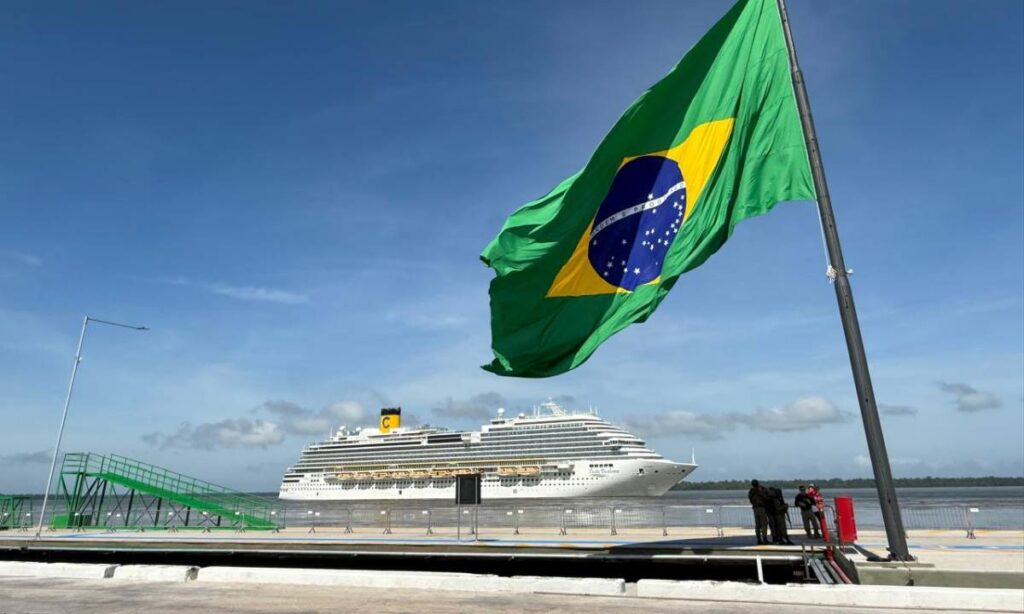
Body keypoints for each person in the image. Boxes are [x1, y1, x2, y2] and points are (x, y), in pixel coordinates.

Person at [747, 479, 769, 545]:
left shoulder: (751, 491)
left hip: (755, 509)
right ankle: (764, 538)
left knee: (758, 525)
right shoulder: (760, 490)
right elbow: (766, 497)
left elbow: (750, 499)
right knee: (764, 524)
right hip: (761, 508)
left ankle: (759, 539)